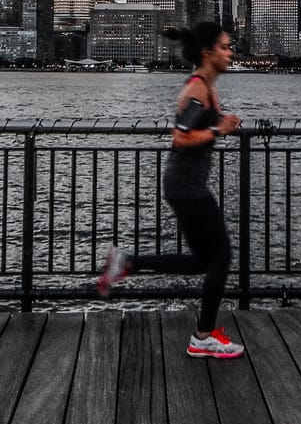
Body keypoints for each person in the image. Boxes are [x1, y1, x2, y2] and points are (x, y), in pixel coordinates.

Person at [97, 21, 244, 359]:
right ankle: (203, 337)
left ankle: (127, 261)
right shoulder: (197, 89)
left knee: (201, 262)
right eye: (224, 47)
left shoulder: (206, 84)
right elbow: (180, 135)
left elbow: (195, 128)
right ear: (208, 53)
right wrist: (220, 130)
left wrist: (221, 125)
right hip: (186, 185)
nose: (230, 52)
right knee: (221, 256)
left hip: (185, 184)